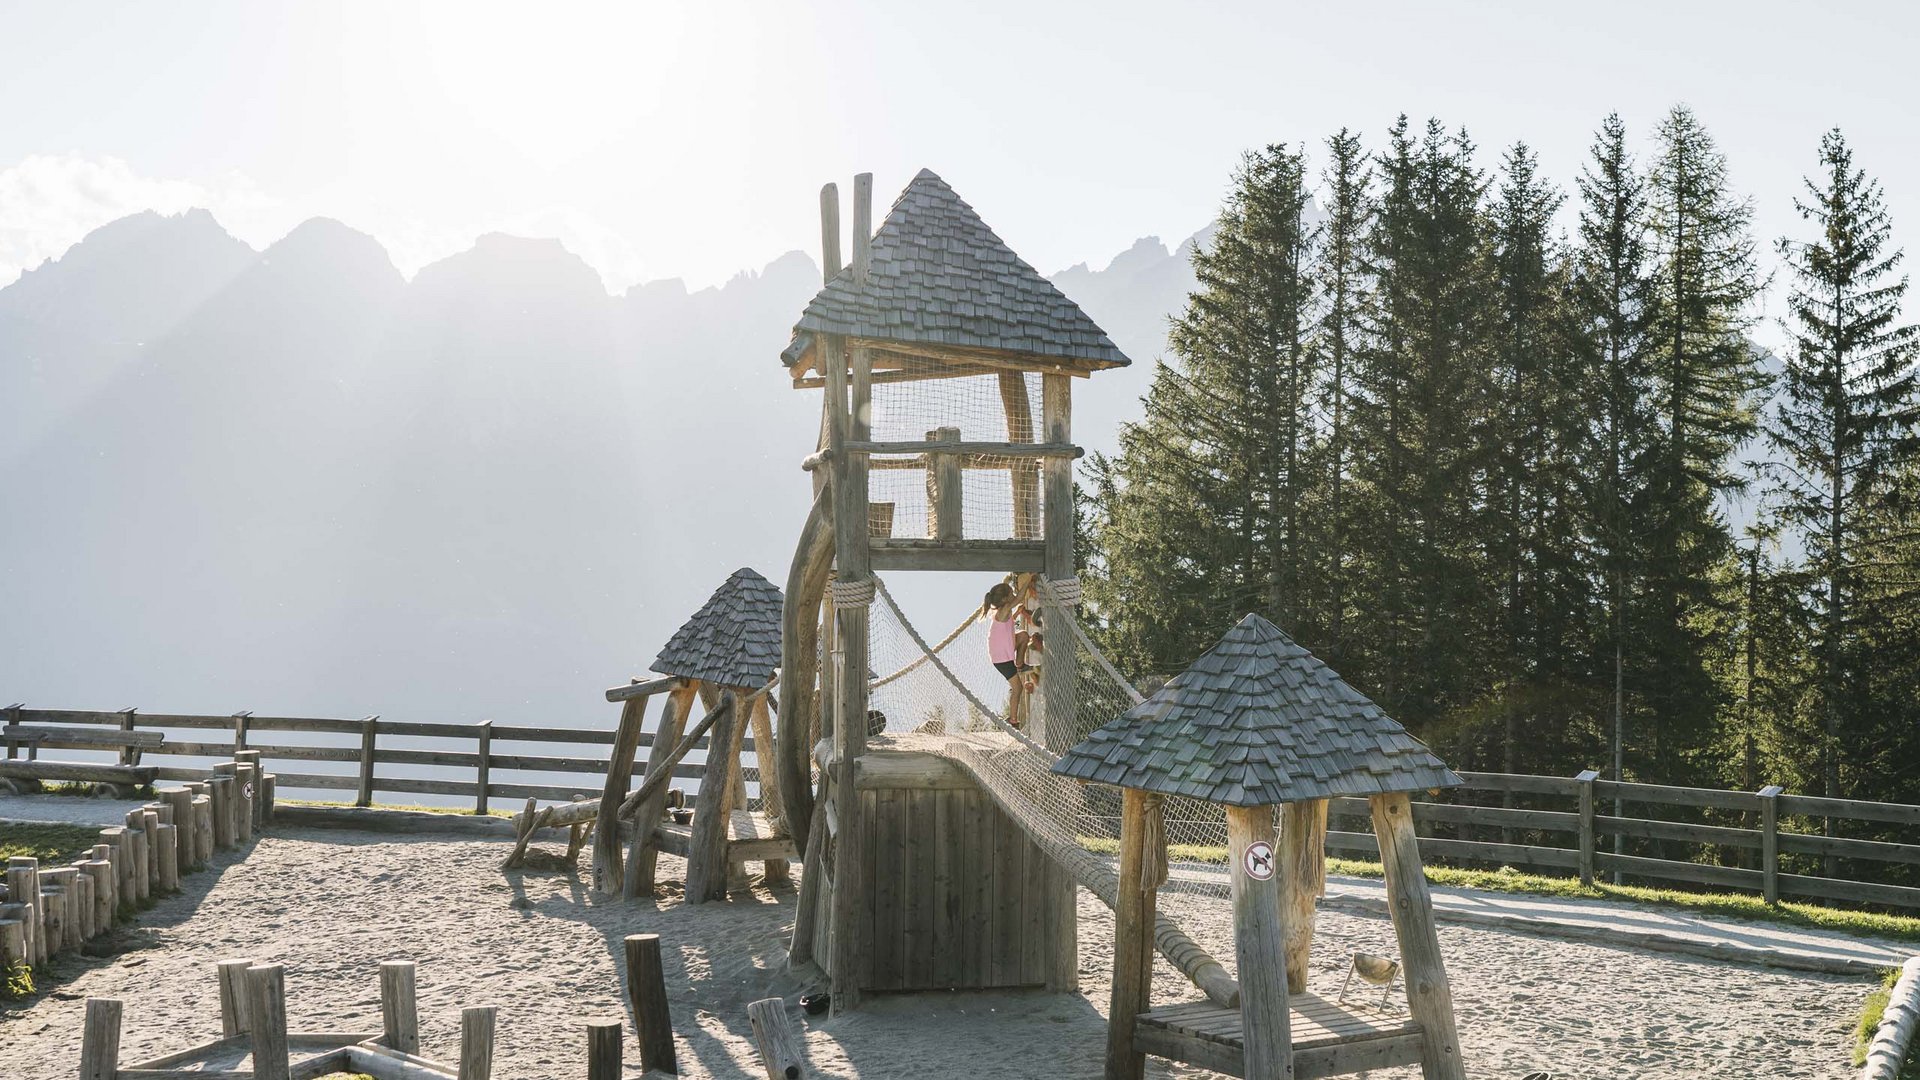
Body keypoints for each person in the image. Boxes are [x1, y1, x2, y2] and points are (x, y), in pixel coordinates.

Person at [981, 582, 1030, 727]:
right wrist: (1029, 579)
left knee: (1023, 636)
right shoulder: (1004, 609)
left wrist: (1018, 613)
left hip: (1005, 649)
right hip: (1001, 659)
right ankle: (1012, 720)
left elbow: (1009, 622)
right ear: (1004, 599)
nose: (1014, 595)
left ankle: (1020, 664)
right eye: (1011, 593)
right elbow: (1020, 598)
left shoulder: (1004, 611)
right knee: (1017, 688)